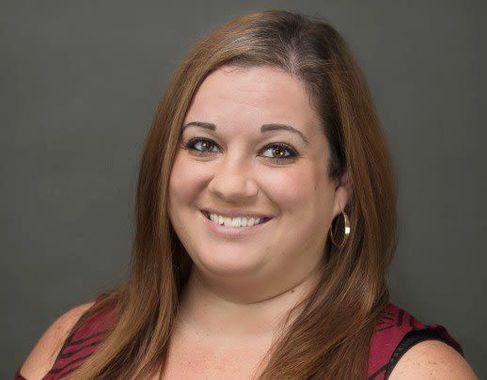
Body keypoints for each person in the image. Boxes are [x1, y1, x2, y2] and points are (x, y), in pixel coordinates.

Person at [16, 9, 478, 380]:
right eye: (203, 144)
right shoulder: (74, 343)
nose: (230, 184)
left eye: (278, 151)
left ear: (342, 188)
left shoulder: (417, 372)